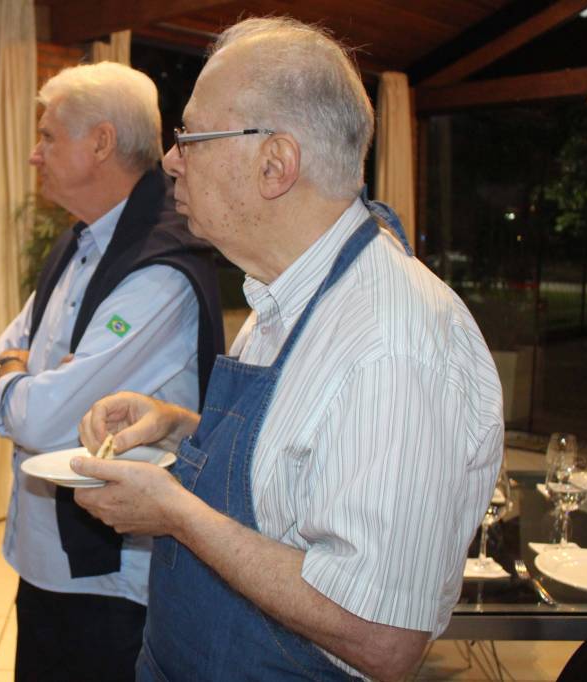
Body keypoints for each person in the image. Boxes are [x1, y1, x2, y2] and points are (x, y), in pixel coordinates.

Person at [72, 17, 504, 682]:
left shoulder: (394, 345)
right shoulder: (287, 293)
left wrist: (177, 514)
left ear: (275, 164)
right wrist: (176, 424)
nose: (171, 160)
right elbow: (298, 465)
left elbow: (382, 637)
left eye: (191, 138)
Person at [0, 62, 223, 682]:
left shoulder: (160, 264)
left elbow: (42, 418)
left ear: (102, 142)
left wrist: (19, 377)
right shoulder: (79, 243)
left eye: (48, 136)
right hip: (48, 560)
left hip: (115, 581)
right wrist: (22, 374)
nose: (34, 154)